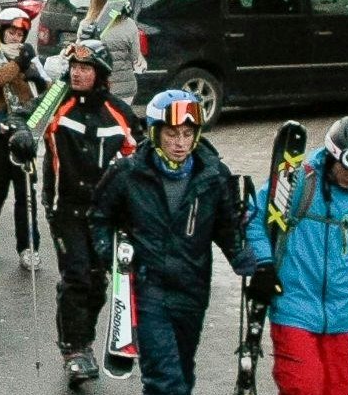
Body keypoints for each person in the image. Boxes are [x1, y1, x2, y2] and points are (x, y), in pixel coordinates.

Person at [91, 88, 250, 395]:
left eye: (188, 133)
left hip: (192, 289)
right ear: (156, 133)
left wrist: (241, 254)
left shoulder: (213, 175)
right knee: (165, 380)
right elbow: (99, 216)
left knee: (183, 372)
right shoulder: (128, 172)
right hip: (149, 288)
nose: (180, 143)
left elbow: (227, 225)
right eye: (172, 134)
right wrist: (112, 256)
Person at [240, 116, 348, 395]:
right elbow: (255, 218)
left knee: (340, 387)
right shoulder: (299, 182)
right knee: (304, 386)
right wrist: (263, 266)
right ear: (333, 154)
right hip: (294, 305)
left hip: (339, 314)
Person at [41, 40, 137, 383]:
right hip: (64, 206)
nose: (78, 74)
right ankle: (74, 349)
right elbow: (28, 119)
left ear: (100, 74)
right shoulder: (57, 101)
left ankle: (85, 338)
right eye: (75, 68)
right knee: (77, 275)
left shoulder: (119, 112)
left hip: (104, 214)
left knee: (97, 282)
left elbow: (144, 152)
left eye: (86, 68)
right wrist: (20, 135)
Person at [0, 6, 47, 267]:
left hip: (24, 131)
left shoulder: (29, 55)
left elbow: (45, 88)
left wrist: (35, 74)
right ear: (2, 32)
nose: (15, 37)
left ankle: (28, 247)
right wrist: (19, 65)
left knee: (24, 189)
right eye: (11, 32)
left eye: (20, 33)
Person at [76, 0, 142, 105]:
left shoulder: (86, 25)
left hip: (96, 87)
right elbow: (135, 56)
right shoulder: (129, 24)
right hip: (125, 89)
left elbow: (81, 55)